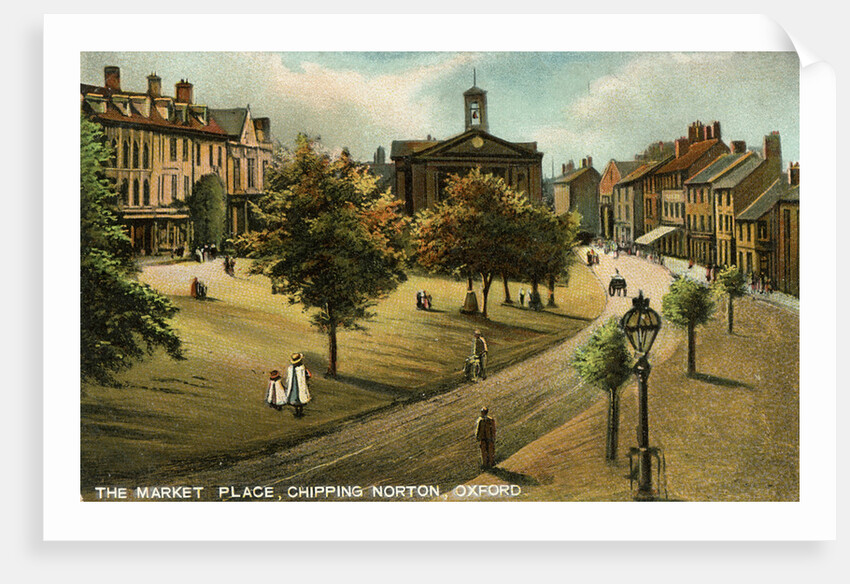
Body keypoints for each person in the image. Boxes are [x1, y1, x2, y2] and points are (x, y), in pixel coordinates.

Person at [285, 352, 312, 417]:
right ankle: (298, 411)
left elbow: (308, 375)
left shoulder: (296, 368)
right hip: (296, 385)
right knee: (297, 398)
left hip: (297, 385)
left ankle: (299, 411)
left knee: (298, 398)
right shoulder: (295, 368)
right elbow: (309, 375)